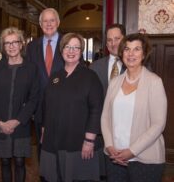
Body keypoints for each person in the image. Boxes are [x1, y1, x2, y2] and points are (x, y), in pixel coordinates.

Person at [101, 33, 167, 182]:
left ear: (144, 54)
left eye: (136, 49)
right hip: (115, 158)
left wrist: (132, 151)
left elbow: (158, 124)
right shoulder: (115, 82)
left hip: (144, 159)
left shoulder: (154, 82)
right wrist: (110, 145)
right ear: (121, 53)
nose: (131, 54)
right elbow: (105, 117)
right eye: (127, 49)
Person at [40, 33, 104, 182]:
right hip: (52, 140)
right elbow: (46, 104)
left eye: (76, 47)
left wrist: (89, 141)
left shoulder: (90, 77)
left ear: (81, 51)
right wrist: (43, 128)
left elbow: (96, 110)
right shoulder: (55, 76)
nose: (71, 51)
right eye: (68, 47)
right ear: (62, 50)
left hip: (78, 143)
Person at [0, 27, 39, 182]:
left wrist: (17, 121)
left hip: (21, 124)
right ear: (3, 46)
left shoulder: (31, 69)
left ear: (21, 44)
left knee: (20, 162)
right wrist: (0, 122)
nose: (11, 46)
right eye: (7, 43)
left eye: (15, 42)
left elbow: (34, 99)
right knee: (5, 162)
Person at [26, 8, 64, 156]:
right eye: (45, 21)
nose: (49, 24)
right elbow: (28, 77)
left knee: (62, 152)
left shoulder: (68, 43)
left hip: (64, 107)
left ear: (58, 22)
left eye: (52, 20)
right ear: (40, 24)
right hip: (40, 108)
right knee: (42, 152)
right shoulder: (31, 47)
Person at [90, 24, 126, 96]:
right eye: (109, 40)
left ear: (125, 40)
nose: (113, 44)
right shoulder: (94, 67)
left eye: (117, 39)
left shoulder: (135, 64)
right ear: (106, 44)